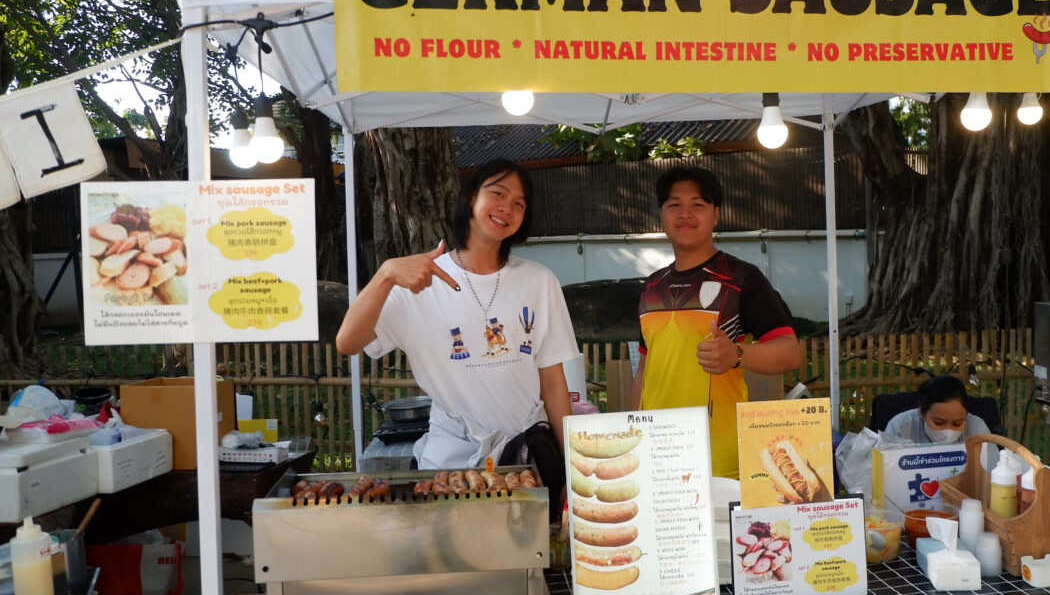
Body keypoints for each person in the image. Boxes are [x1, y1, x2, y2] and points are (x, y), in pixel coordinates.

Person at [335, 160, 576, 477]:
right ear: (471, 198)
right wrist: (386, 274)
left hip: (526, 460)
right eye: (498, 193)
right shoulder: (420, 282)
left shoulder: (539, 281)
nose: (507, 207)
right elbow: (348, 342)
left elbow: (554, 384)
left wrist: (573, 467)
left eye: (519, 203)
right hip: (451, 467)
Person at [633, 166, 801, 479]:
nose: (685, 213)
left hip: (719, 461)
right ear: (661, 215)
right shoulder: (651, 287)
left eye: (697, 204)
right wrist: (633, 438)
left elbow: (789, 352)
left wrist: (737, 354)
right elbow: (644, 369)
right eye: (674, 204)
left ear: (716, 215)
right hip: (656, 456)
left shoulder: (742, 278)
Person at [882, 375, 991, 444]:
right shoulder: (899, 427)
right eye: (938, 422)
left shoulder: (976, 429)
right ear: (922, 412)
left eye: (957, 423)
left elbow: (992, 468)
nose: (948, 431)